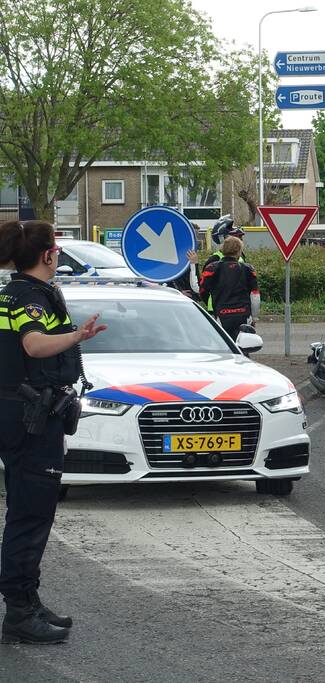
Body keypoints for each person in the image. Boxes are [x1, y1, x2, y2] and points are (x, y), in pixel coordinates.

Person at [0, 220, 106, 644]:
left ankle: (27, 599)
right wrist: (78, 335)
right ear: (46, 255)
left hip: (17, 411)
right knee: (30, 514)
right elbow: (33, 345)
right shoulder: (29, 296)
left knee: (27, 512)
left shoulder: (10, 292)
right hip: (30, 417)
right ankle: (20, 612)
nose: (58, 254)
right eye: (56, 249)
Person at [198, 236, 259, 341]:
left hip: (222, 314)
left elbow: (201, 290)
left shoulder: (211, 268)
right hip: (243, 314)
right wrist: (254, 317)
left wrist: (213, 303)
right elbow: (255, 296)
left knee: (226, 345)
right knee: (244, 346)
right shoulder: (248, 269)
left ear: (223, 249)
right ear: (239, 251)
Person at [202, 216, 244, 312]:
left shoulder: (241, 258)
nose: (240, 242)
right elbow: (203, 288)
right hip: (217, 309)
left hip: (238, 308)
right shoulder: (214, 260)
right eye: (238, 239)